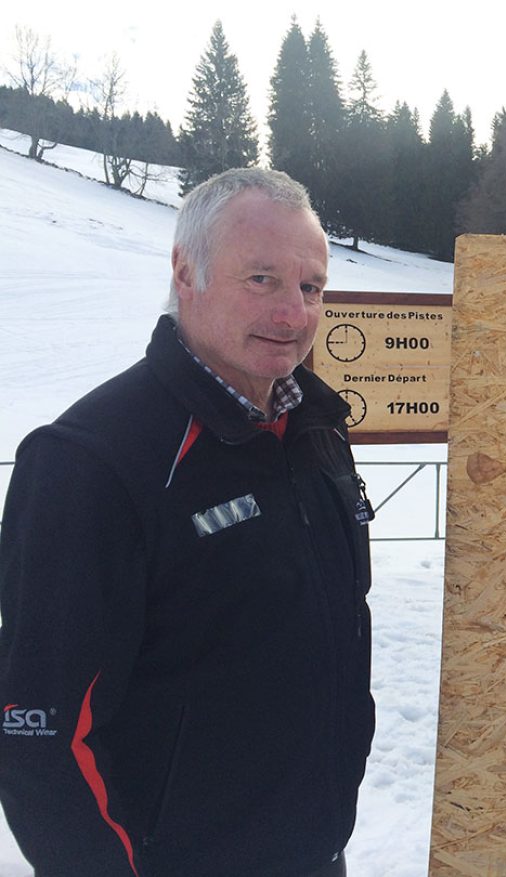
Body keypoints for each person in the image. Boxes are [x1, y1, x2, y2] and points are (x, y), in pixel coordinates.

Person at [0, 168, 375, 877]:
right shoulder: (94, 460)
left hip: (315, 852)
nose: (294, 314)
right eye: (262, 279)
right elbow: (45, 739)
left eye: (311, 286)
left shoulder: (316, 432)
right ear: (185, 273)